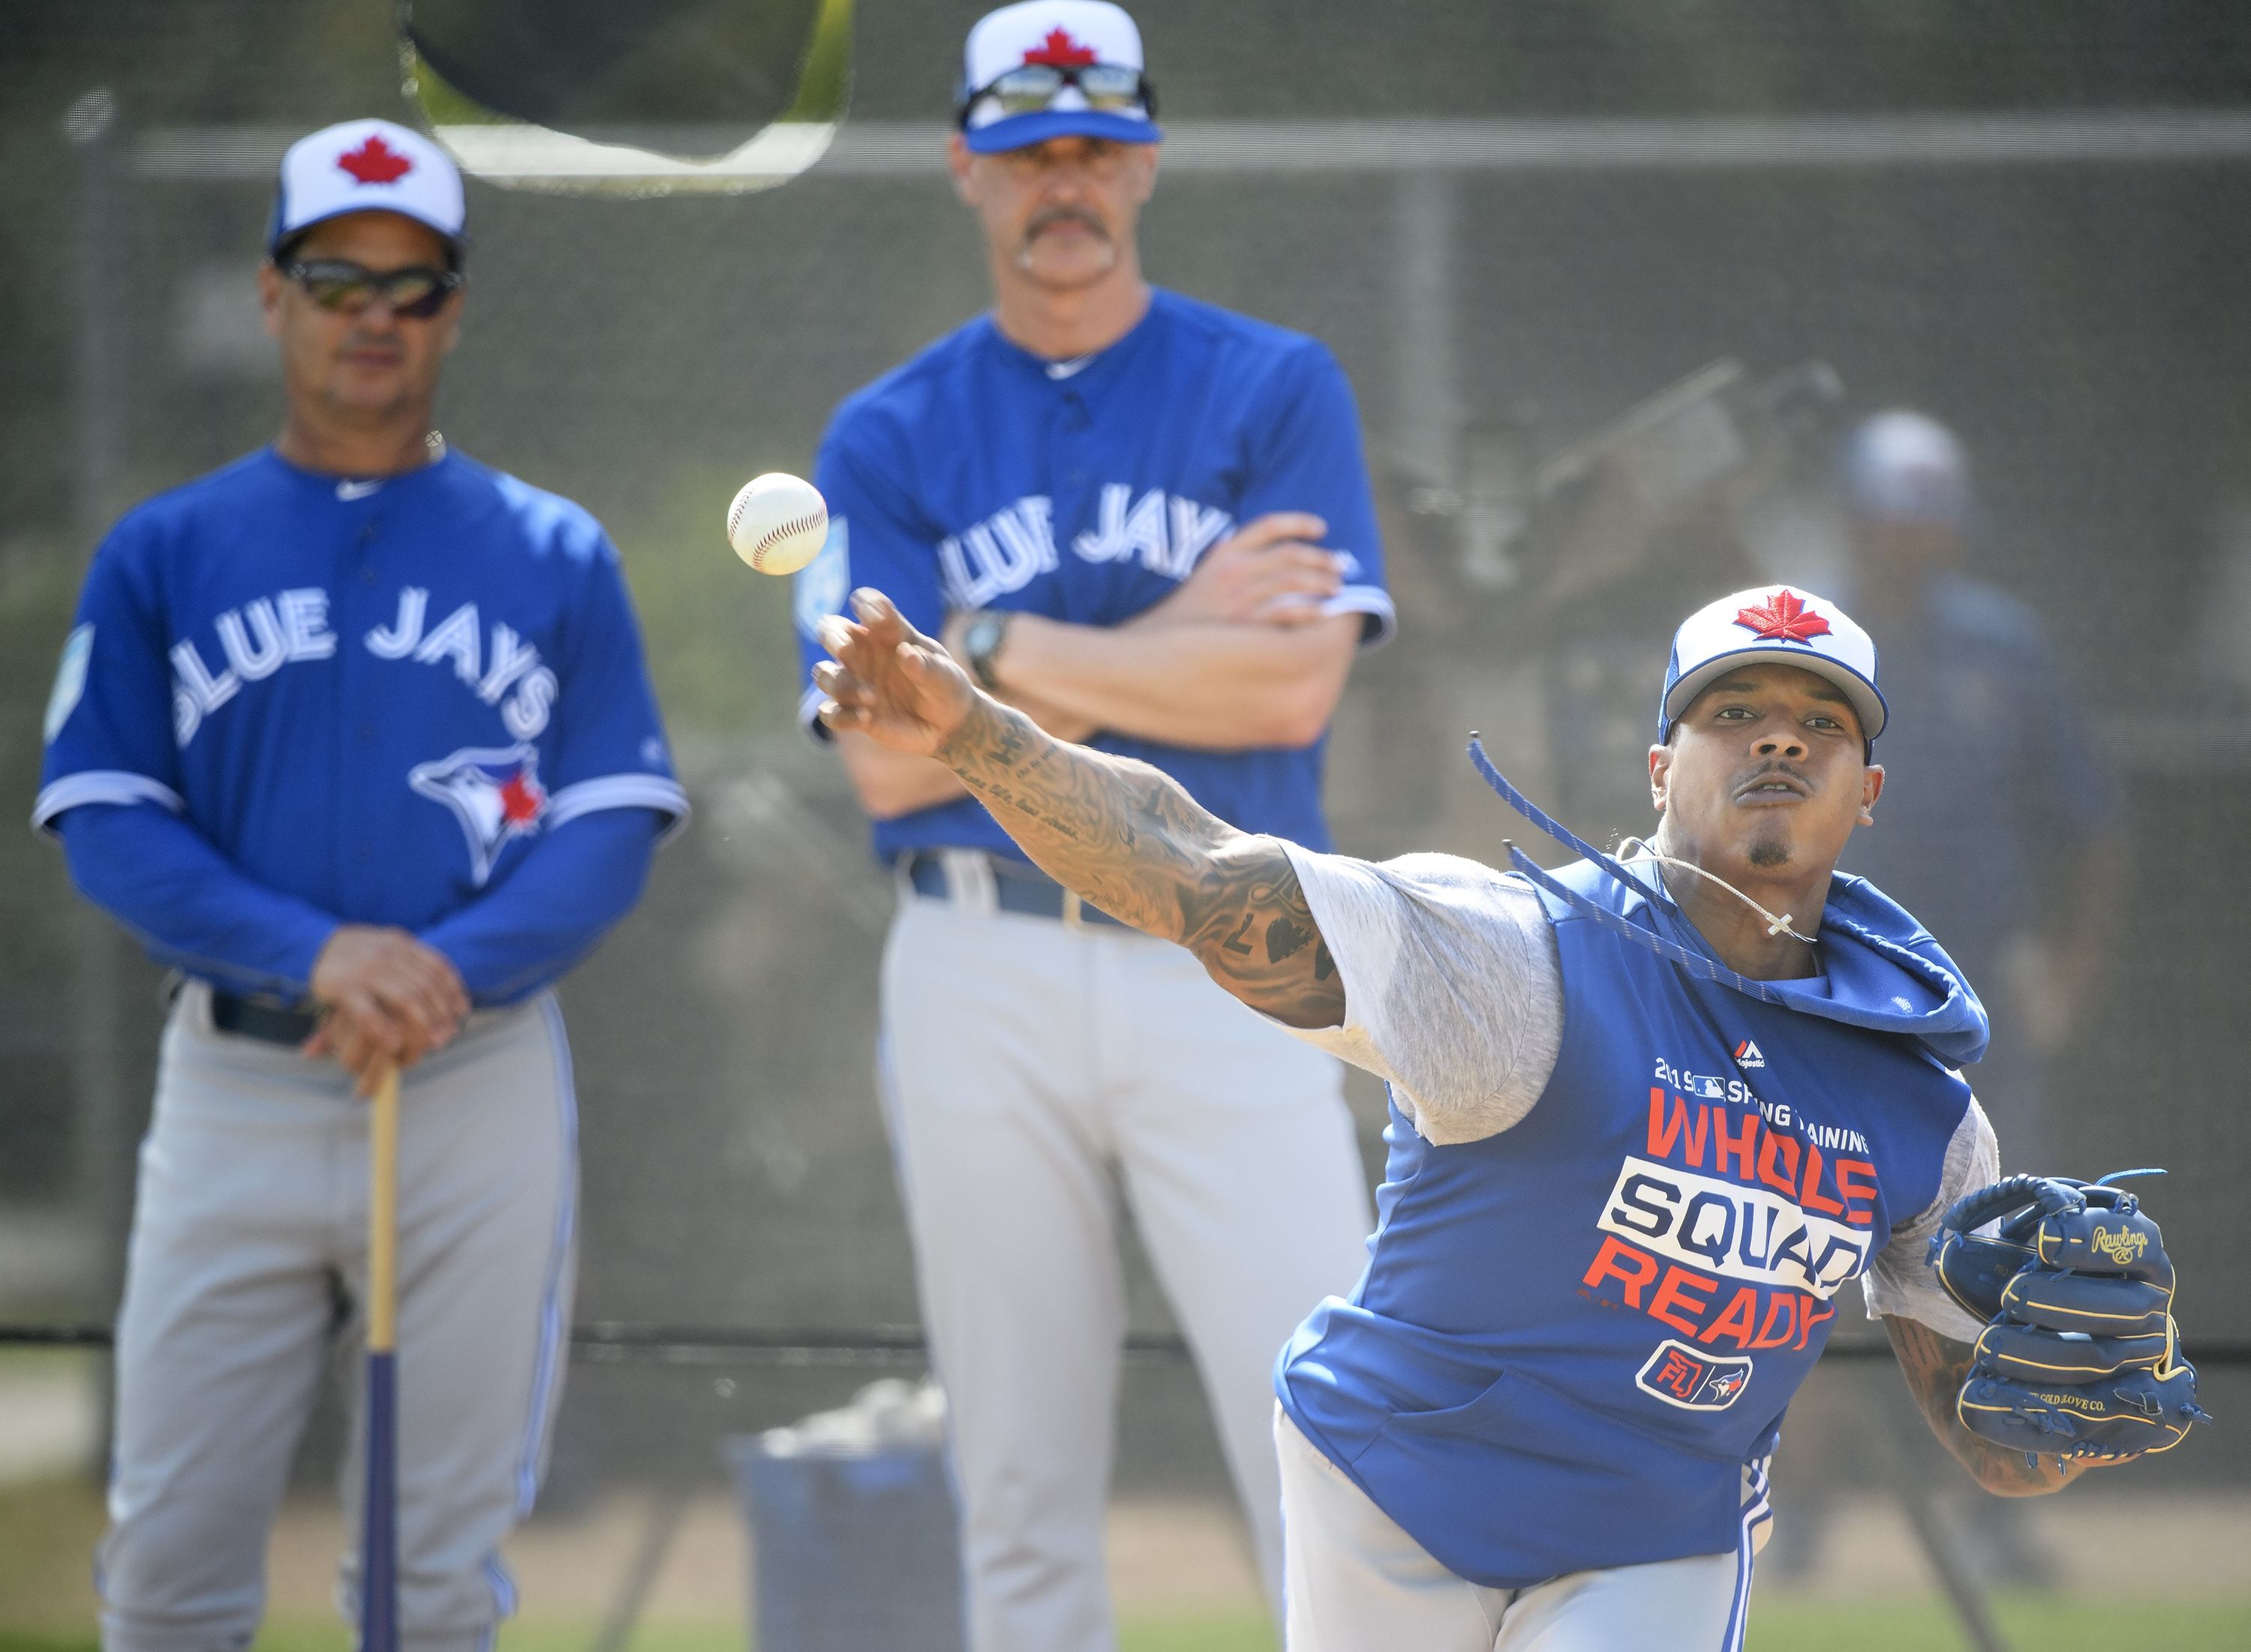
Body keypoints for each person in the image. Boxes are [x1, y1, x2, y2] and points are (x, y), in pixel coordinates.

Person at [812, 577, 2165, 1650]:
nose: (1777, 737)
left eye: (1822, 723)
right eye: (1732, 709)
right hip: (1391, 1492)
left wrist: (2060, 1413)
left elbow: (1999, 1454)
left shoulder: (1921, 1104)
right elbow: (1195, 869)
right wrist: (978, 735)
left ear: (1866, 793)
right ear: (1659, 765)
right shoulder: (1517, 958)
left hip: (1655, 1538)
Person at [34, 119, 685, 1651]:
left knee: (434, 1581)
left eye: (412, 284)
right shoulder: (163, 552)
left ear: (452, 309)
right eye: (338, 279)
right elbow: (107, 817)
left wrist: (433, 973)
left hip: (478, 1084)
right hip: (240, 1089)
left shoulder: (554, 551)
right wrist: (324, 955)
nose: (373, 315)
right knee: (170, 1572)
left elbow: (610, 825)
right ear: (274, 295)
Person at [788, 3, 1392, 1644]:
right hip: (978, 966)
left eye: (1097, 146)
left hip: (1230, 948)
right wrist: (1177, 634)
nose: (1066, 178)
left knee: (1329, 1447)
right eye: (1030, 147)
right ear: (966, 167)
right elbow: (890, 771)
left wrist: (989, 657)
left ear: (1146, 165)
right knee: (1022, 1482)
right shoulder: (888, 436)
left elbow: (1289, 698)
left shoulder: (1275, 385)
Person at [1832, 410, 2123, 1172]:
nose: (1916, 542)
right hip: (1835, 973)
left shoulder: (2004, 646)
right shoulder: (1809, 645)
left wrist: (2065, 982)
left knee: (1993, 1208)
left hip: (1984, 985)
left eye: (1934, 522)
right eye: (1898, 521)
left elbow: (2091, 821)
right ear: (1856, 520)